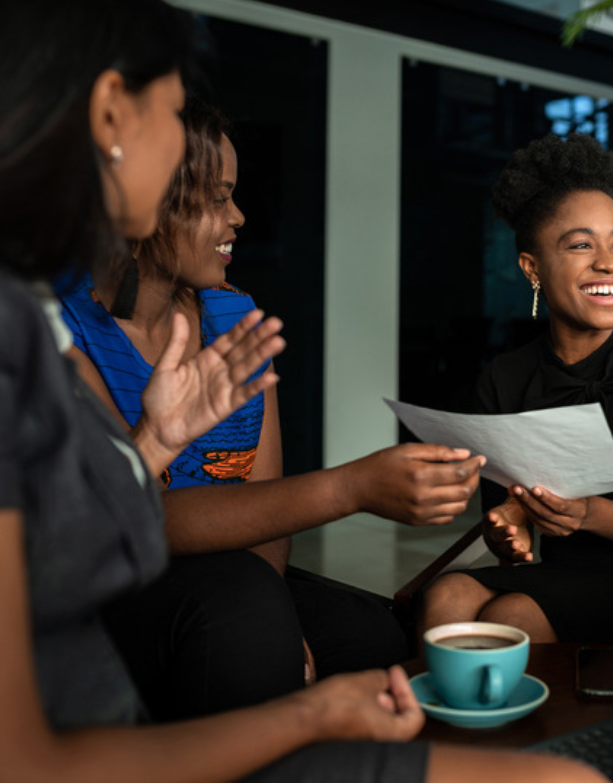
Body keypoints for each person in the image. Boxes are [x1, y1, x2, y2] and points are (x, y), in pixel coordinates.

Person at [0, 0, 602, 781]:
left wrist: (156, 437)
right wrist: (302, 713)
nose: (233, 214)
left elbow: (52, 548)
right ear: (112, 113)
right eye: (171, 111)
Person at [58, 100, 475, 718]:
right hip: (117, 586)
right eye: (218, 198)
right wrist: (351, 486)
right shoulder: (66, 336)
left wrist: (279, 620)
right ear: (151, 198)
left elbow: (266, 506)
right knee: (240, 608)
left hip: (239, 580)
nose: (238, 217)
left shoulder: (235, 318)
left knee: (370, 634)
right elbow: (145, 514)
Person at [420, 133, 613, 653]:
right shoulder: (504, 378)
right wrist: (508, 532)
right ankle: (452, 734)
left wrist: (591, 513)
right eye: (582, 245)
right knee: (447, 594)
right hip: (563, 578)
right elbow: (508, 527)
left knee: (511, 613)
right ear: (532, 268)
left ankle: (526, 736)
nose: (610, 263)